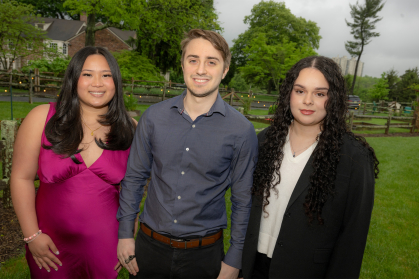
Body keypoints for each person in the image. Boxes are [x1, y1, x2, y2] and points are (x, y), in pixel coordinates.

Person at [116, 29, 258, 279]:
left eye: (211, 62)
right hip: (149, 249)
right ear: (182, 65)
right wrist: (126, 234)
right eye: (193, 60)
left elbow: (243, 201)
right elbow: (134, 178)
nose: (201, 70)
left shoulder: (241, 130)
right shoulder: (153, 118)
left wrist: (235, 259)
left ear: (225, 70)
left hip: (204, 257)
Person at [242, 56, 379, 278]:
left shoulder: (354, 158)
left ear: (333, 98)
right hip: (253, 267)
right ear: (289, 93)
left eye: (320, 93)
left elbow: (352, 239)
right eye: (300, 91)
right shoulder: (264, 142)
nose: (308, 101)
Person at [11, 46, 136, 278]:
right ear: (73, 79)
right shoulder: (42, 118)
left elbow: (134, 190)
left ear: (116, 82)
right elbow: (21, 178)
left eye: (106, 75)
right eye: (87, 74)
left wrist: (128, 236)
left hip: (107, 246)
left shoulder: (131, 129)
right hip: (48, 246)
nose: (97, 83)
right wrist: (32, 236)